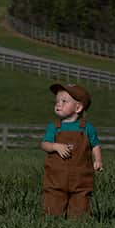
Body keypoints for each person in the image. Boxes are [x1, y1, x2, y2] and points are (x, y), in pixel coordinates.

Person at [40, 81, 103, 218]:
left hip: (81, 178)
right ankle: (53, 222)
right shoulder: (54, 127)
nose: (58, 104)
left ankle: (77, 224)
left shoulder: (87, 128)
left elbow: (95, 145)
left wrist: (98, 160)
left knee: (80, 207)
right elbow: (44, 144)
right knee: (53, 205)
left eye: (64, 101)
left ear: (78, 107)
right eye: (57, 101)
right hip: (56, 178)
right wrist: (55, 146)